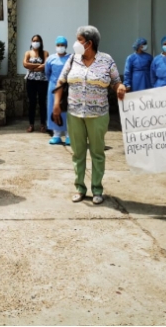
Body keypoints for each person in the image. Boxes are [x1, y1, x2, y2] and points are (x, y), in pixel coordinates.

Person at [52, 26, 124, 205]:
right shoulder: (72, 59)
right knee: (78, 153)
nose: (76, 43)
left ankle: (97, 189)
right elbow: (60, 81)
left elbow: (115, 82)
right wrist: (56, 104)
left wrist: (120, 88)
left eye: (79, 40)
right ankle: (80, 188)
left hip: (98, 114)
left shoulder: (106, 60)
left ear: (89, 43)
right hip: (75, 113)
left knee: (97, 152)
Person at [45, 36, 71, 146]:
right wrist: (54, 82)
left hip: (67, 87)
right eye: (58, 45)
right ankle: (56, 135)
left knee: (67, 110)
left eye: (62, 45)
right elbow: (47, 72)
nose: (60, 47)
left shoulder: (71, 58)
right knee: (53, 108)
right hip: (53, 86)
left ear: (66, 46)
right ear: (55, 46)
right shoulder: (50, 59)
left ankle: (69, 135)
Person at [24, 34, 49, 133]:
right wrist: (39, 65)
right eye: (34, 40)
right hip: (31, 81)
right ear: (31, 42)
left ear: (41, 42)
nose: (35, 42)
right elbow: (25, 64)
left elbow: (45, 65)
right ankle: (31, 124)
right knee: (32, 103)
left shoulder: (45, 53)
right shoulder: (28, 53)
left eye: (37, 40)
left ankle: (43, 124)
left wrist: (32, 67)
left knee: (42, 102)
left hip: (42, 81)